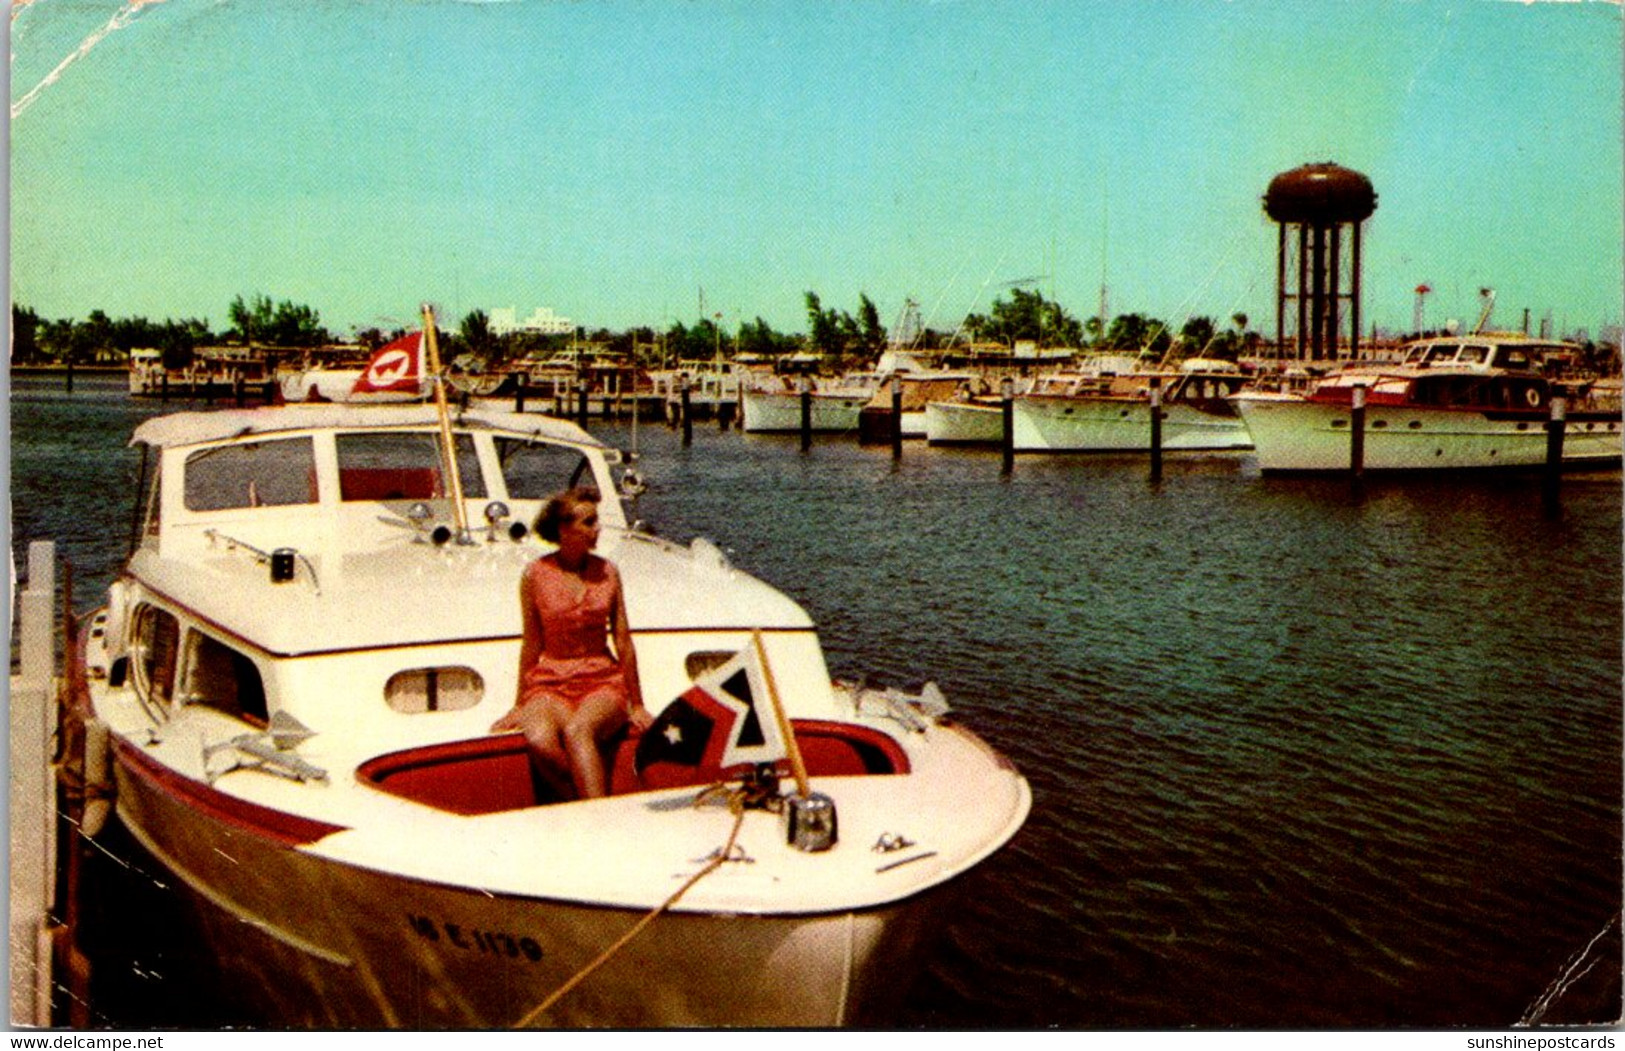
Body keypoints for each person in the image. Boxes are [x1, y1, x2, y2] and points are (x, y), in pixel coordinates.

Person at [491, 487, 653, 799]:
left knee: (579, 731)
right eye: (589, 522)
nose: (597, 529)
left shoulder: (608, 572)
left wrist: (637, 703)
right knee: (538, 739)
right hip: (550, 682)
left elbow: (623, 640)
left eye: (596, 521)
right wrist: (519, 703)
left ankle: (596, 815)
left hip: (602, 681)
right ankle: (586, 799)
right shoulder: (535, 575)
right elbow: (532, 643)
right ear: (564, 529)